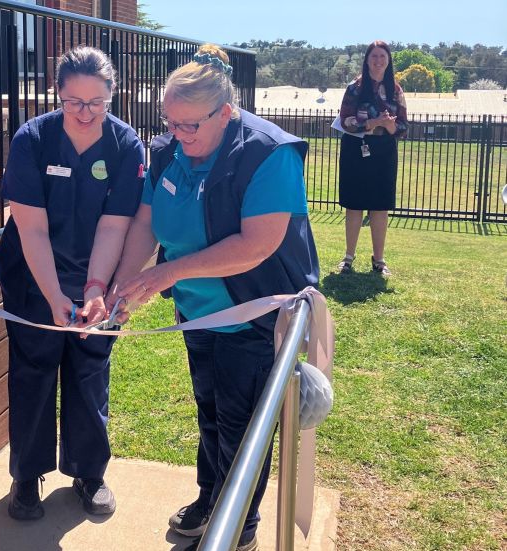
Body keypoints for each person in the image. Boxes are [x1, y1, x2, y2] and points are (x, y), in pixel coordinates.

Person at [107, 44, 319, 551]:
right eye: (169, 122)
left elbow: (256, 245)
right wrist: (120, 285)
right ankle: (211, 499)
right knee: (210, 411)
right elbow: (144, 224)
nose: (177, 136)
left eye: (190, 125)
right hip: (198, 313)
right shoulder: (167, 153)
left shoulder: (269, 154)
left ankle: (236, 527)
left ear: (226, 112)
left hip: (255, 315)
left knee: (242, 427)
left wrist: (167, 274)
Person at [0, 46, 145, 520]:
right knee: (33, 372)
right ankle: (26, 477)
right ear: (57, 94)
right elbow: (32, 228)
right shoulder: (32, 140)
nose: (84, 113)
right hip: (33, 279)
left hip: (93, 280)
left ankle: (88, 472)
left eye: (96, 102)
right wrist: (56, 294)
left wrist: (95, 288)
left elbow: (114, 226)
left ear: (112, 98)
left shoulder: (125, 146)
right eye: (74, 101)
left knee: (90, 371)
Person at [336, 40, 408, 276]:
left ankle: (379, 260)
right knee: (354, 204)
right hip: (356, 148)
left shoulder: (396, 90)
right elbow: (345, 119)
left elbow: (404, 127)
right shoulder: (354, 88)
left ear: (388, 62)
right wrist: (371, 123)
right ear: (367, 60)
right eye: (374, 56)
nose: (378, 61)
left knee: (380, 206)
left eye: (383, 57)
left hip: (384, 150)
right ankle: (348, 258)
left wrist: (388, 126)